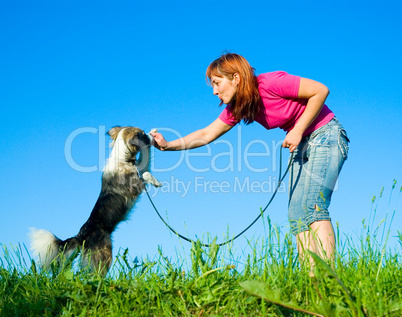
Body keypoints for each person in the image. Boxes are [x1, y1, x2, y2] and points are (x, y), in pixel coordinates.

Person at [151, 53, 349, 263]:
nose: (215, 91)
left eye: (217, 83)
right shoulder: (239, 106)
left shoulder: (270, 83)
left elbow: (320, 90)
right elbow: (205, 134)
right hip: (301, 143)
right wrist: (168, 146)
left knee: (313, 206)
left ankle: (327, 278)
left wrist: (298, 129)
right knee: (297, 214)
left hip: (325, 135)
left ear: (236, 78)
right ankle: (311, 282)